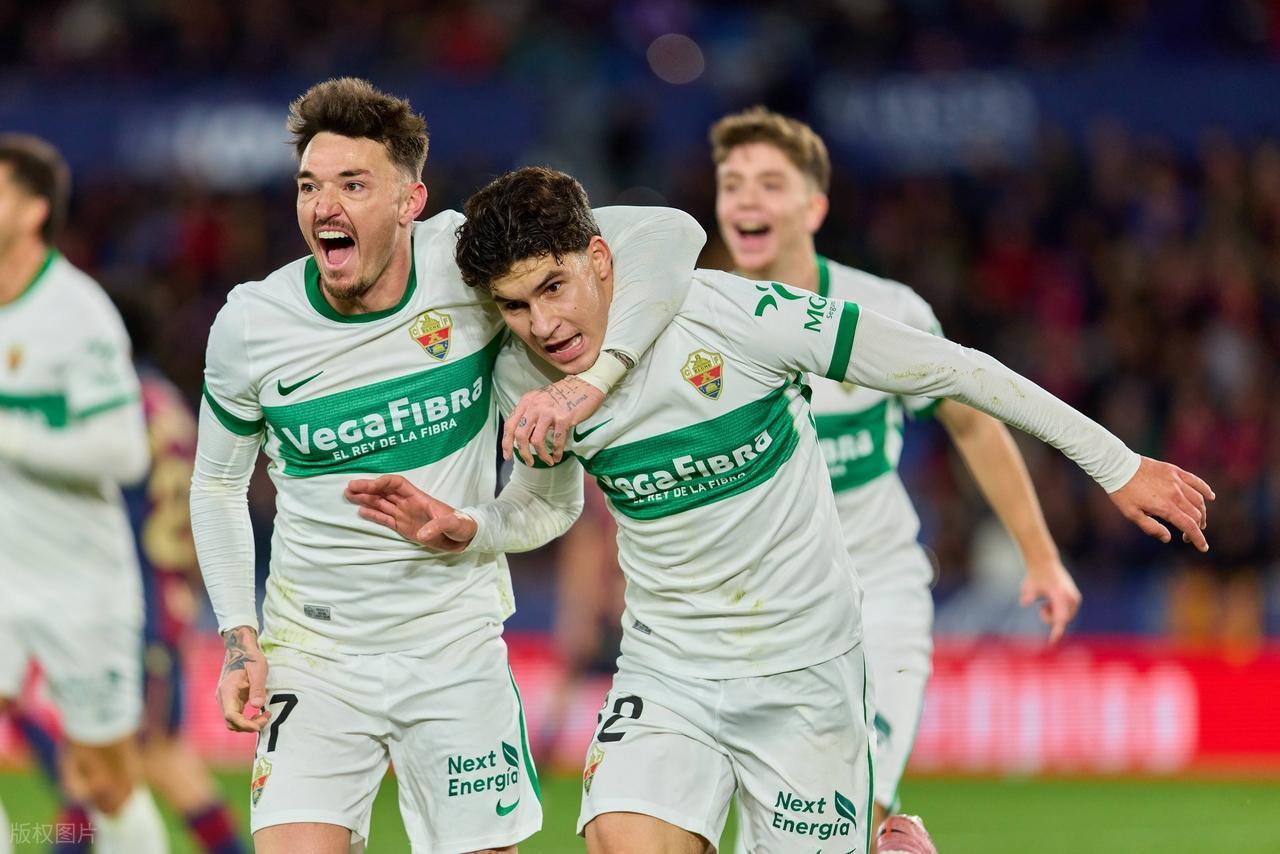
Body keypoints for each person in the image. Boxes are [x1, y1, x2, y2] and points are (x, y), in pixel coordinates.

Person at [345, 166, 1213, 854]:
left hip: (806, 674)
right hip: (668, 670)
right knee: (621, 838)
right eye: (515, 306)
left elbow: (952, 367)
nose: (541, 324)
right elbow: (547, 507)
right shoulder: (525, 376)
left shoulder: (737, 317)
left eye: (553, 287)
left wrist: (1117, 463)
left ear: (601, 259)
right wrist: (478, 528)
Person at [191, 78, 704, 854]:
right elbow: (217, 483)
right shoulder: (252, 326)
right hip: (314, 656)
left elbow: (669, 234)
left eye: (353, 185)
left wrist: (584, 391)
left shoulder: (464, 268)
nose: (324, 206)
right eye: (309, 186)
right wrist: (240, 636)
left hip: (453, 649)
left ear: (411, 201)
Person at [709, 105, 1083, 845]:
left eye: (770, 184)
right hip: (755, 608)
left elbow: (973, 422)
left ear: (814, 207)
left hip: (877, 588)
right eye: (732, 184)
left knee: (855, 791)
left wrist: (1040, 556)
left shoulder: (883, 309)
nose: (747, 199)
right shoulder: (695, 319)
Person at [14, 292, 246, 854]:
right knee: (154, 759)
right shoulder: (168, 403)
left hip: (125, 604)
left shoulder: (116, 407)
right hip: (167, 603)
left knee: (101, 767)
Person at [0, 135, 168, 852]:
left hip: (79, 579)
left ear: (33, 211)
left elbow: (124, 452)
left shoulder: (76, 311)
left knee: (105, 778)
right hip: (2, 570)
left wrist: (10, 436)